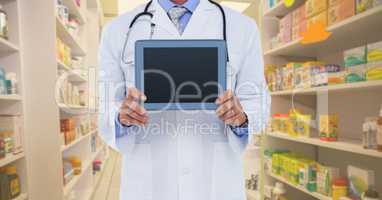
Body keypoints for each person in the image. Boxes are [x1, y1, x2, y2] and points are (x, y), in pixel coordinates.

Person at [98, 0, 270, 199]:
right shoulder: (118, 30)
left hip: (216, 183)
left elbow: (256, 98)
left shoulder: (242, 27)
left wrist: (241, 119)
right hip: (149, 184)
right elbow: (105, 105)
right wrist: (121, 119)